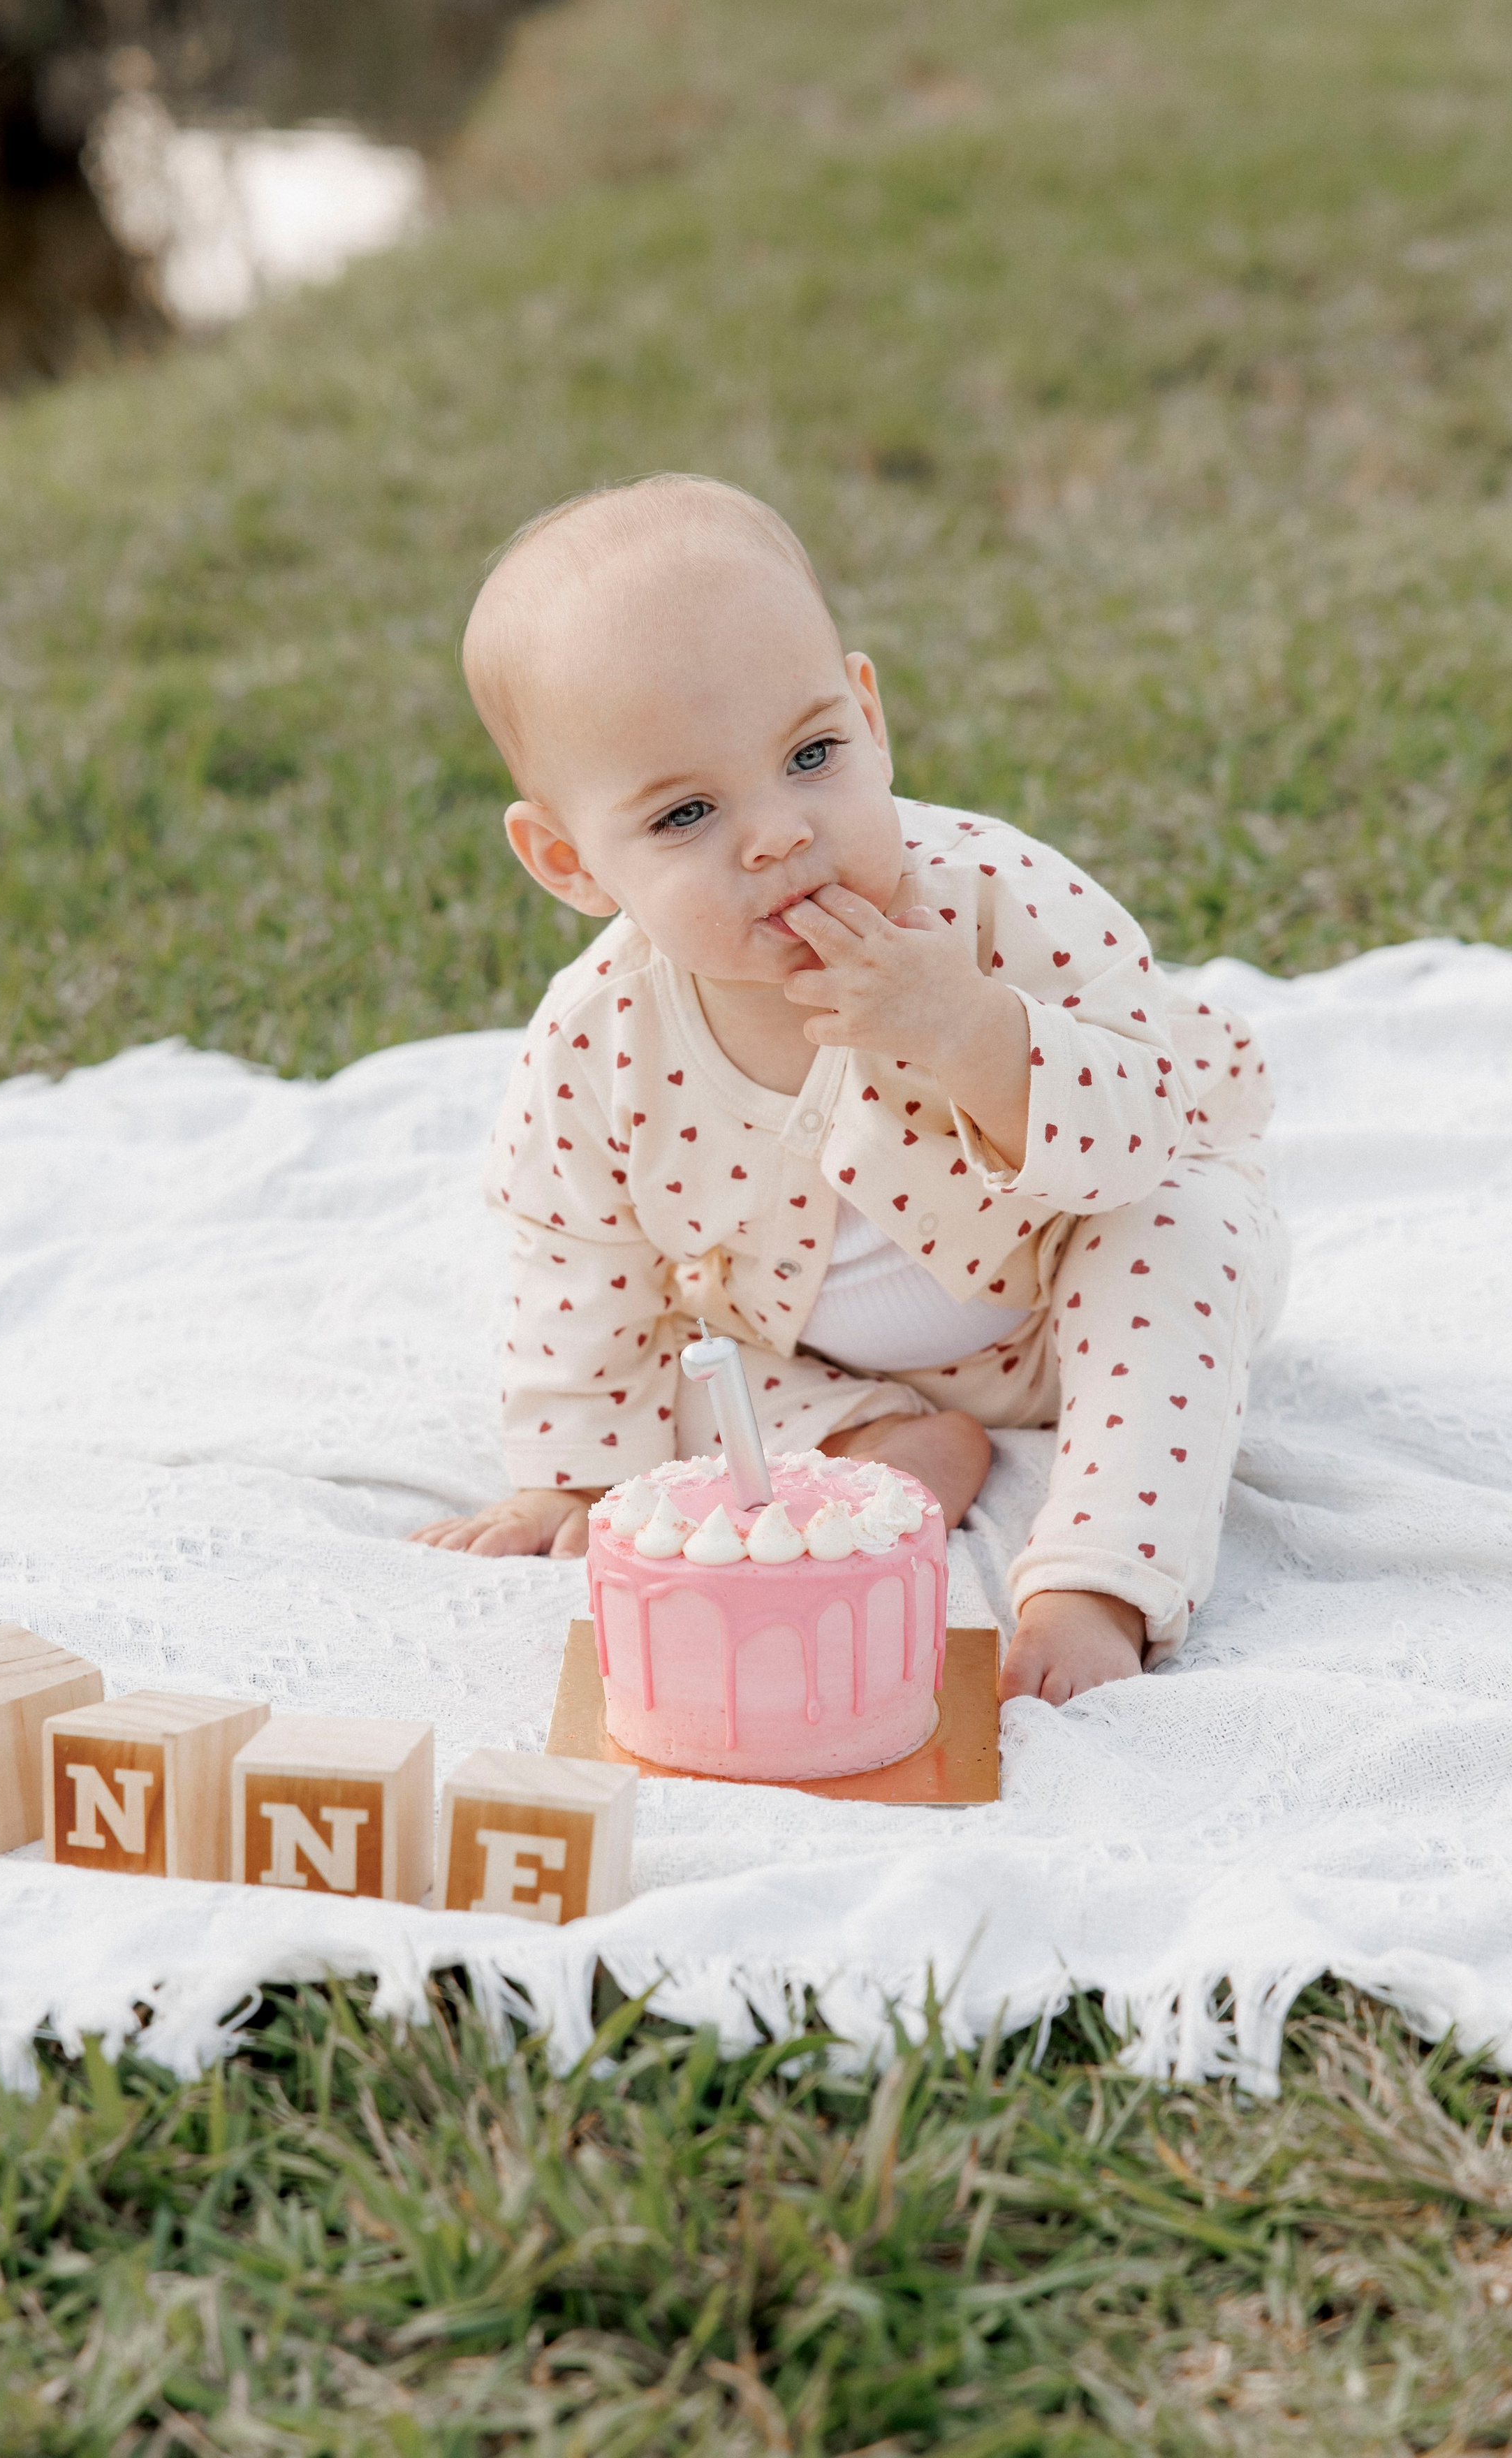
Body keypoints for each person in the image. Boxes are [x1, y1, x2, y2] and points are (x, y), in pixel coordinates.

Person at [411, 475, 1285, 1704]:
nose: (776, 834)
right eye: (688, 814)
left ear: (869, 720)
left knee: (1178, 1238)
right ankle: (889, 1443)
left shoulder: (993, 902)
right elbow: (577, 1255)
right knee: (671, 1380)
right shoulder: (600, 1039)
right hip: (812, 1354)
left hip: (1062, 1291)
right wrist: (571, 1473)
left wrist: (972, 1031)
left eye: (811, 755)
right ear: (568, 861)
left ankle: (1099, 1574)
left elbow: (1148, 1128)